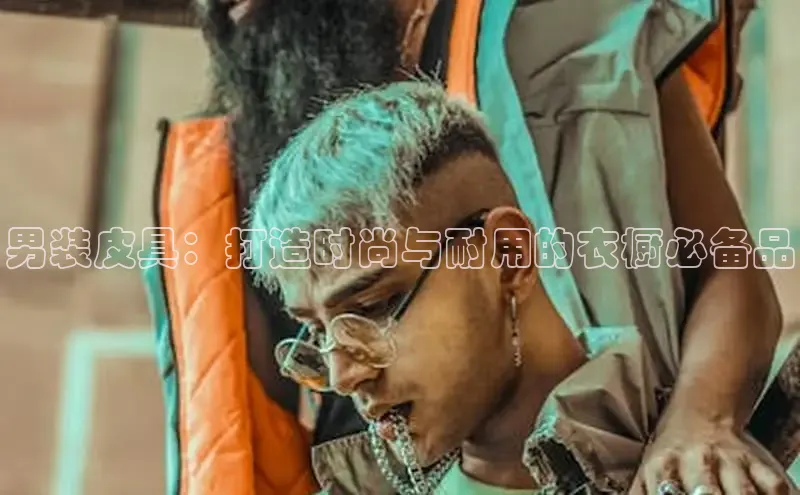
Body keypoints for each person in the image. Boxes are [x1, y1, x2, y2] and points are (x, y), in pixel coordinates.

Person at [141, 0, 799, 494]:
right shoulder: (237, 155)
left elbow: (728, 265)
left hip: (606, 454)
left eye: (374, 303)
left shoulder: (572, 26)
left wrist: (700, 419)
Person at [246, 81, 792, 494]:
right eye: (318, 334)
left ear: (509, 256)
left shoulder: (712, 472)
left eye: (373, 306)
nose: (343, 375)